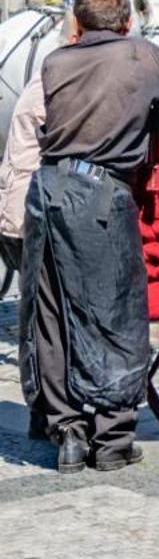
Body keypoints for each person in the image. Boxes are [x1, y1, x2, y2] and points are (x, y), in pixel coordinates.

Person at [24, 0, 159, 472]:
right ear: (125, 22)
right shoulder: (141, 54)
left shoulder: (56, 62)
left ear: (78, 25)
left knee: (52, 315)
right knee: (114, 313)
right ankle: (113, 439)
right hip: (99, 196)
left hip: (48, 190)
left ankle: (69, 434)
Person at [1, 77, 48, 440]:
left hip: (21, 211)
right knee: (39, 316)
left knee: (37, 314)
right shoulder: (56, 79)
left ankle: (43, 411)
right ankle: (43, 412)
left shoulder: (49, 74)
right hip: (29, 215)